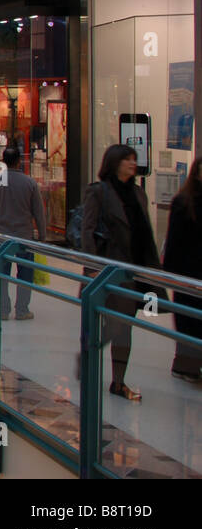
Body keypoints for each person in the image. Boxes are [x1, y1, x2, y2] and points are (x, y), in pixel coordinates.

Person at [81, 144, 162, 401]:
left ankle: (117, 380)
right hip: (109, 270)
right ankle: (95, 369)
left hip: (134, 271)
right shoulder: (99, 192)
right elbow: (87, 229)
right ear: (114, 163)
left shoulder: (138, 193)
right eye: (127, 159)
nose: (132, 163)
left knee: (123, 326)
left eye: (133, 159)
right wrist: (92, 267)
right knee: (115, 325)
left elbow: (144, 232)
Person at [0, 146, 46, 321]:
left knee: (1, 274)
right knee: (25, 274)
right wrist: (42, 235)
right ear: (20, 161)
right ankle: (22, 309)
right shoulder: (29, 183)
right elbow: (38, 212)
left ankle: (3, 309)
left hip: (1, 236)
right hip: (24, 237)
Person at [162, 158, 202, 381]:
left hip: (193, 272)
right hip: (189, 272)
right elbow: (175, 240)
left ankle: (188, 363)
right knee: (189, 318)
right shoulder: (184, 202)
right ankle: (186, 365)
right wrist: (171, 273)